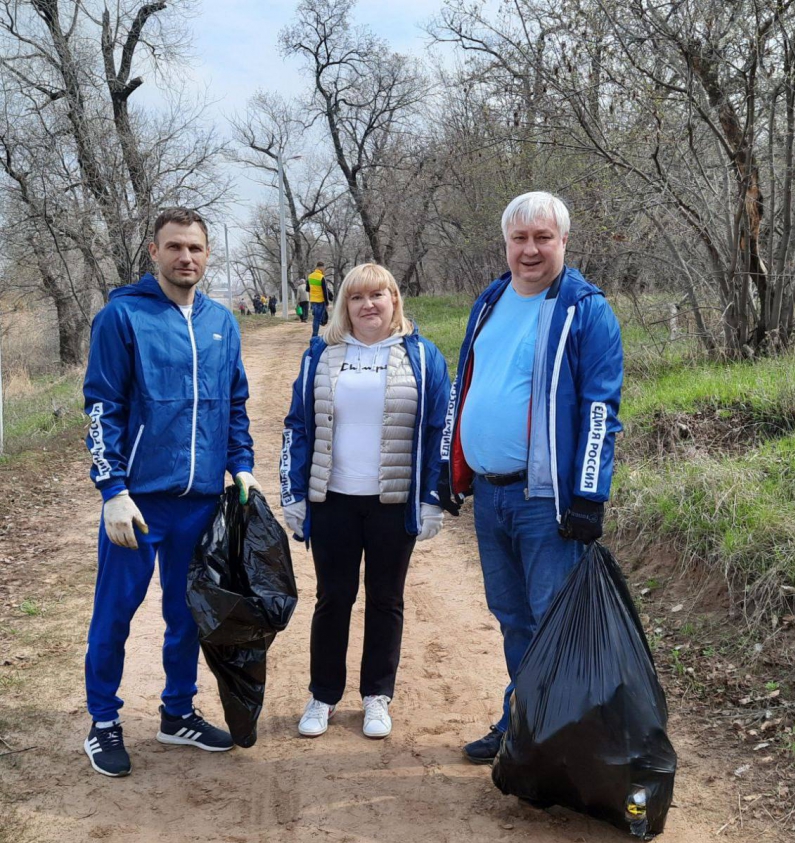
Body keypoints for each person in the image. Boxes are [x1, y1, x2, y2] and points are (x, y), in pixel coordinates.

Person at [440, 191, 624, 764]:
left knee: (552, 622)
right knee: (513, 618)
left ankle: (560, 742)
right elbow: (468, 384)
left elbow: (600, 409)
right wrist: (451, 465)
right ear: (506, 243)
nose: (530, 249)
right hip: (489, 495)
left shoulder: (584, 310)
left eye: (543, 237)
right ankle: (521, 723)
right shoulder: (490, 300)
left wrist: (589, 495)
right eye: (519, 238)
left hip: (545, 501)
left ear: (564, 241)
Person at [82, 207, 263, 777]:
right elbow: (101, 407)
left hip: (201, 503)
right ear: (154, 252)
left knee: (188, 615)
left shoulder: (221, 322)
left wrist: (241, 465)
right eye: (175, 247)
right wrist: (112, 489)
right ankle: (103, 721)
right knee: (115, 613)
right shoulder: (122, 317)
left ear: (208, 255)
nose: (186, 257)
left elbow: (234, 403)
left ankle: (177, 712)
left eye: (196, 248)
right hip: (138, 504)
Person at [280, 263, 450, 740]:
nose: (368, 305)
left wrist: (432, 496)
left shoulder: (422, 356)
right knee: (333, 598)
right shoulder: (321, 354)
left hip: (393, 502)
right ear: (344, 306)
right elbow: (297, 424)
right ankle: (323, 695)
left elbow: (440, 429)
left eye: (378, 295)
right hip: (331, 499)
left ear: (395, 300)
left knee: (386, 599)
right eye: (357, 297)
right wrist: (294, 492)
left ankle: (377, 695)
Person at [305, 262, 332, 339]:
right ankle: (315, 335)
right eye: (324, 268)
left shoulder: (310, 276)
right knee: (318, 319)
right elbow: (325, 292)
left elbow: (307, 289)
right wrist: (327, 303)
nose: (324, 270)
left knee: (316, 318)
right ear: (321, 267)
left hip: (313, 300)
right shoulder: (321, 277)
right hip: (320, 300)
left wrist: (314, 290)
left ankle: (315, 334)